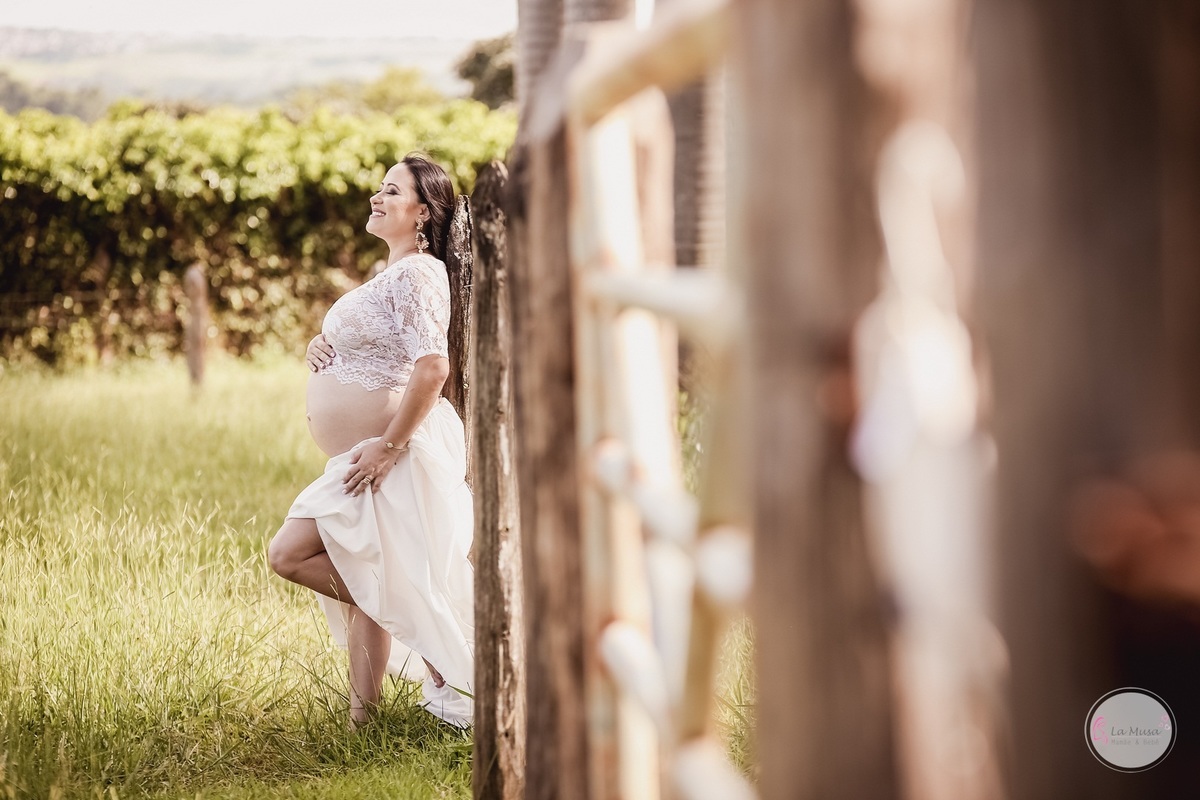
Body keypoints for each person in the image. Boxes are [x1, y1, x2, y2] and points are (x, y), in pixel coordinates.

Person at [267, 154, 474, 728]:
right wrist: (320, 343)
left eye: (392, 191)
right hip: (372, 458)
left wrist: (388, 446)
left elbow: (433, 367)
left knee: (290, 554)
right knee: (369, 574)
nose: (376, 199)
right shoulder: (394, 274)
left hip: (393, 457)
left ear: (424, 213)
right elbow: (379, 345)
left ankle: (422, 646)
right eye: (378, 189)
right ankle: (363, 726)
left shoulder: (418, 272)